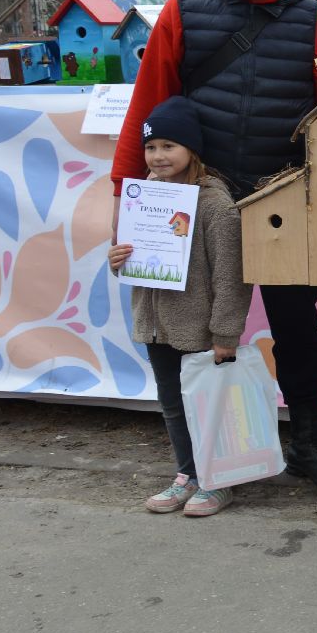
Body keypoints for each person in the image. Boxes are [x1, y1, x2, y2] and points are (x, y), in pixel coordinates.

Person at [111, 0, 317, 494]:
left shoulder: (315, 20)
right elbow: (149, 108)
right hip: (200, 203)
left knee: (297, 327)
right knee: (197, 329)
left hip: (284, 199)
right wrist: (127, 201)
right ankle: (200, 459)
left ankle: (308, 441)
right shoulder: (185, 11)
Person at [109, 97, 253, 517]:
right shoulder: (143, 197)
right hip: (156, 324)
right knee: (173, 403)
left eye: (169, 146)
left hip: (201, 329)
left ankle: (219, 481)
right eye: (151, 148)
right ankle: (188, 474)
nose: (158, 156)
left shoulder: (214, 205)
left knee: (209, 404)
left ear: (192, 149)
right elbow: (138, 260)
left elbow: (231, 274)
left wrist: (226, 334)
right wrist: (119, 261)